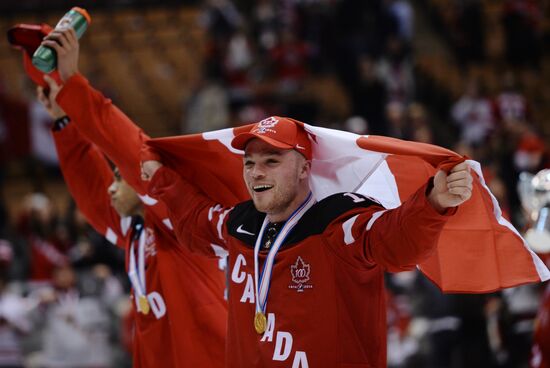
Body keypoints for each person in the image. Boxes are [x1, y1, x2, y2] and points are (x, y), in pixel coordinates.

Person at [140, 116, 473, 367]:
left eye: (272, 162)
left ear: (304, 169)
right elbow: (196, 218)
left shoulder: (337, 223)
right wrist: (160, 178)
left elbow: (394, 241)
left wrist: (433, 203)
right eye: (250, 163)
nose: (256, 173)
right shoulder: (240, 224)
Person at [34, 26, 227, 367]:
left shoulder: (179, 221)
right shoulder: (138, 233)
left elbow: (129, 149)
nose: (112, 185)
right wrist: (65, 122)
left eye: (119, 178)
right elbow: (93, 195)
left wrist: (74, 82)